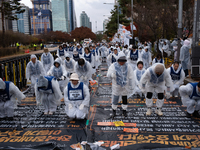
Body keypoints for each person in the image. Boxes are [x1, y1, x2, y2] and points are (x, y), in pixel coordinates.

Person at [107, 51, 135, 118]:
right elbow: (108, 74)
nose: (122, 63)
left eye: (123, 61)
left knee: (124, 97)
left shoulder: (128, 66)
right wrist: (112, 75)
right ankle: (114, 110)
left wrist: (131, 85)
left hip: (125, 85)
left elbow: (131, 76)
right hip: (116, 85)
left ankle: (124, 110)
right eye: (120, 61)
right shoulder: (113, 66)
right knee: (115, 97)